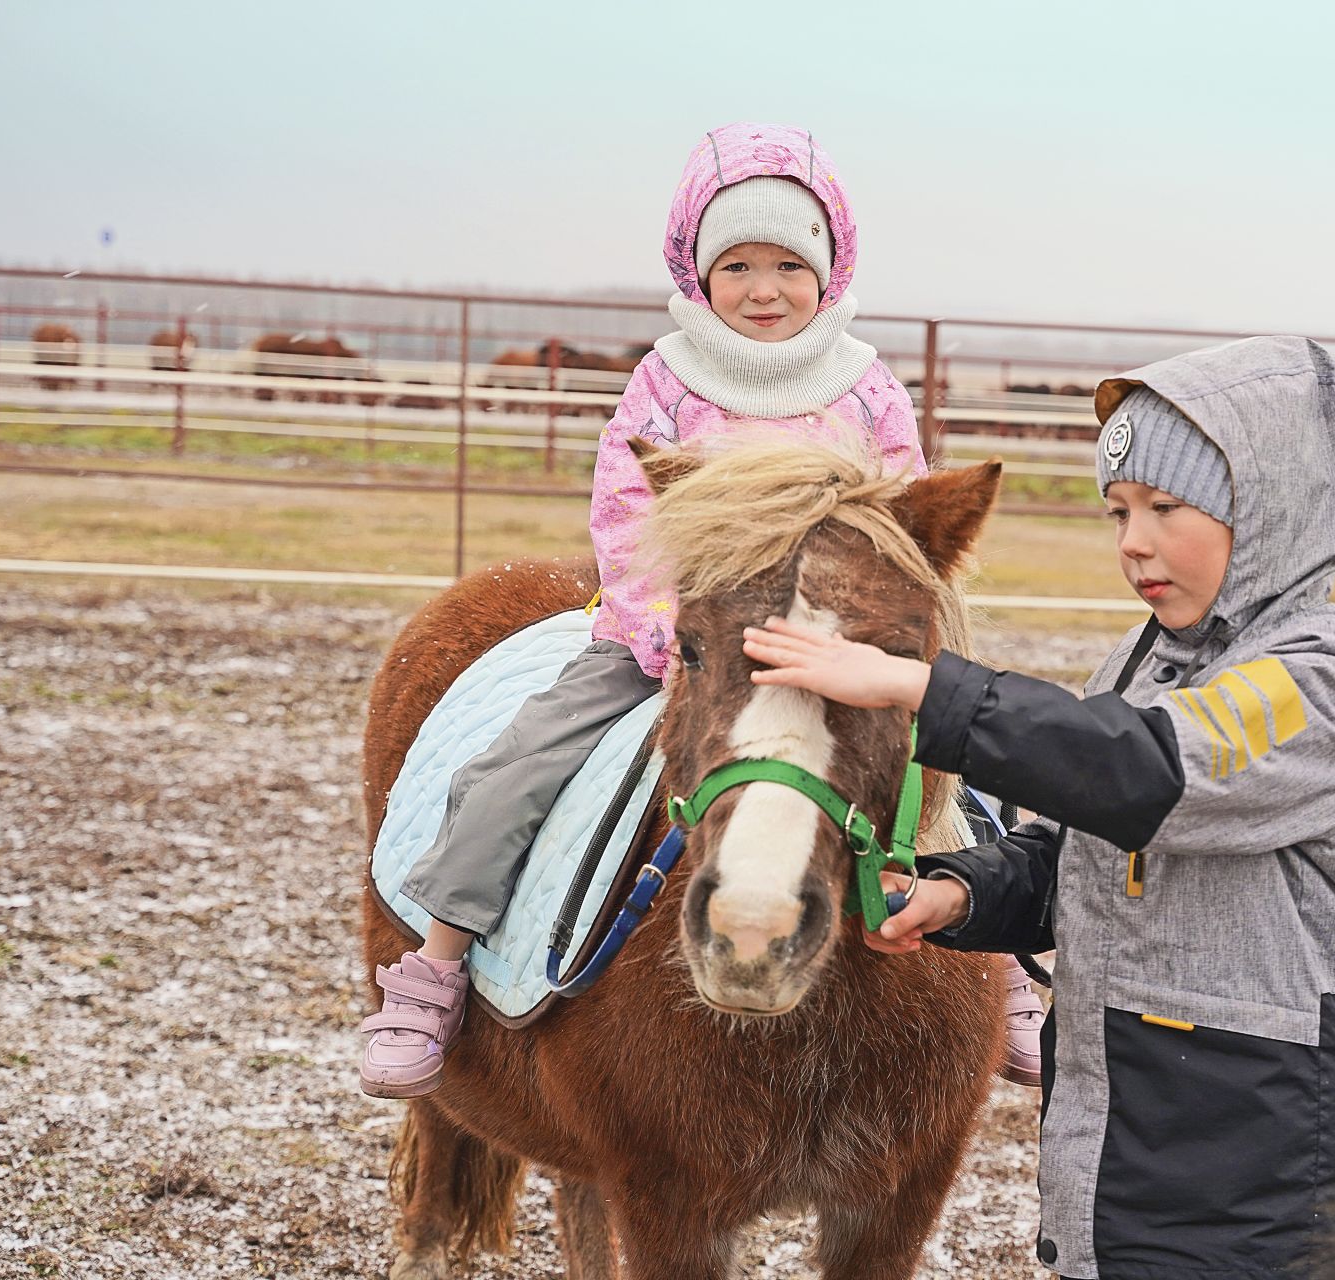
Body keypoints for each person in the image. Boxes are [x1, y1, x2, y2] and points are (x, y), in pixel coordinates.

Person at [361, 123, 1044, 1098]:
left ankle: (1006, 968)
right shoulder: (668, 383)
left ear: (828, 268)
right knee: (520, 767)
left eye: (786, 264)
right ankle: (434, 965)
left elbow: (900, 520)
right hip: (676, 644)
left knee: (949, 785)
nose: (763, 288)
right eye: (736, 264)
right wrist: (664, 632)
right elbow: (627, 512)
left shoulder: (866, 387)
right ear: (697, 269)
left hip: (827, 649)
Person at [743, 336, 1335, 1279]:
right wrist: (959, 895)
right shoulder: (1147, 662)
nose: (1133, 540)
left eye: (1166, 508)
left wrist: (923, 688)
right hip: (1127, 1120)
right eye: (1119, 510)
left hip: (1252, 1139)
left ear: (1272, 512)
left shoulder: (1322, 678)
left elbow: (1145, 777)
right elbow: (1075, 848)